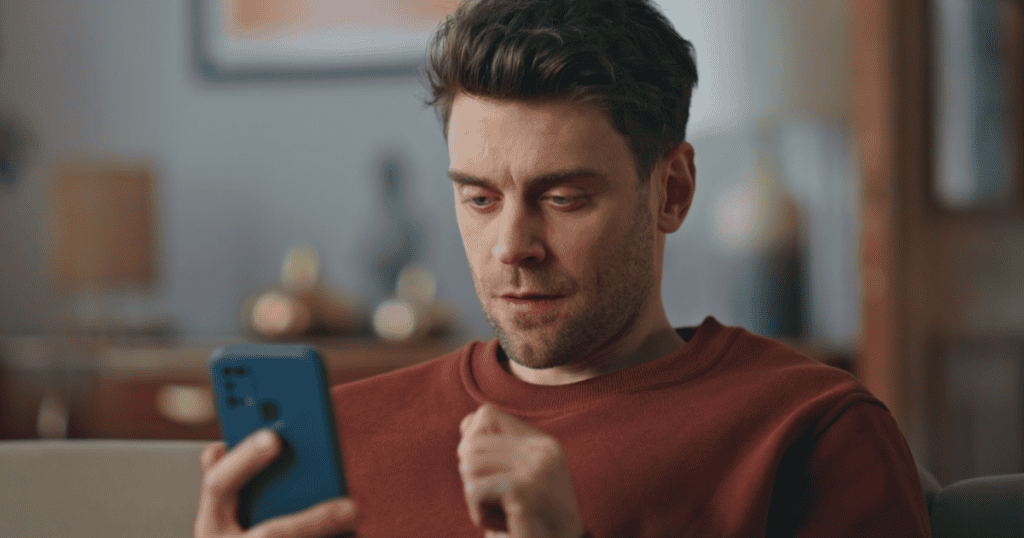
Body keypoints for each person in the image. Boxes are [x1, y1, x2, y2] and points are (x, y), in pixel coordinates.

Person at [194, 0, 931, 536]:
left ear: (671, 190)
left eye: (565, 197)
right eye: (480, 198)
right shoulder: (340, 440)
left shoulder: (811, 433)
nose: (512, 245)